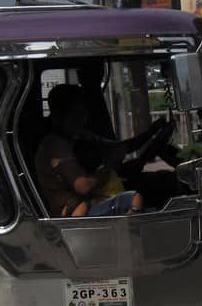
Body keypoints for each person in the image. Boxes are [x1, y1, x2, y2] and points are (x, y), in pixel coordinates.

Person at [35, 83, 170, 218]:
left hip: (94, 202)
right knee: (138, 202)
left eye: (83, 113)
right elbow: (84, 186)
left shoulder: (81, 137)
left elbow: (120, 147)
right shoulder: (56, 145)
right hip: (78, 214)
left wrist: (151, 133)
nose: (83, 118)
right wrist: (110, 163)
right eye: (76, 113)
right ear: (60, 115)